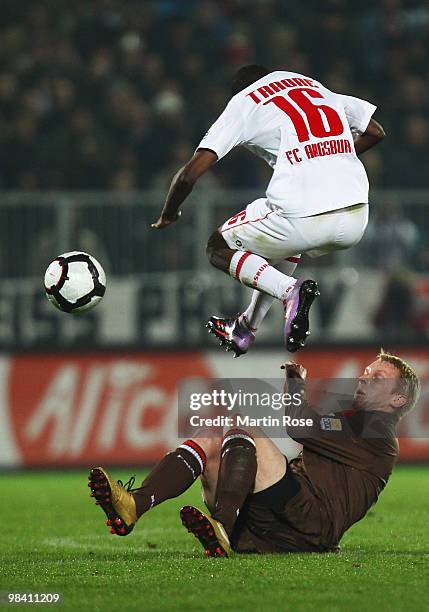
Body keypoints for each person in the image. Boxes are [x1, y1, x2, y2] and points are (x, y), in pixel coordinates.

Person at [88, 350, 419, 556]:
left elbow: (299, 426)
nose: (364, 376)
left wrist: (295, 382)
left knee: (240, 426)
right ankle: (135, 504)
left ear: (397, 400)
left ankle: (223, 525)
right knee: (214, 433)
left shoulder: (377, 432)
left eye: (378, 377)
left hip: (308, 522)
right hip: (279, 526)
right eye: (366, 370)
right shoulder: (354, 421)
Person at [151, 65, 385, 354]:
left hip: (303, 214)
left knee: (217, 247)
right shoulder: (310, 84)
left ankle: (290, 291)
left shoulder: (245, 102)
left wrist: (169, 212)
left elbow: (189, 174)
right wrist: (328, 157)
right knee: (282, 241)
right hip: (356, 218)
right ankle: (246, 327)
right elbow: (375, 131)